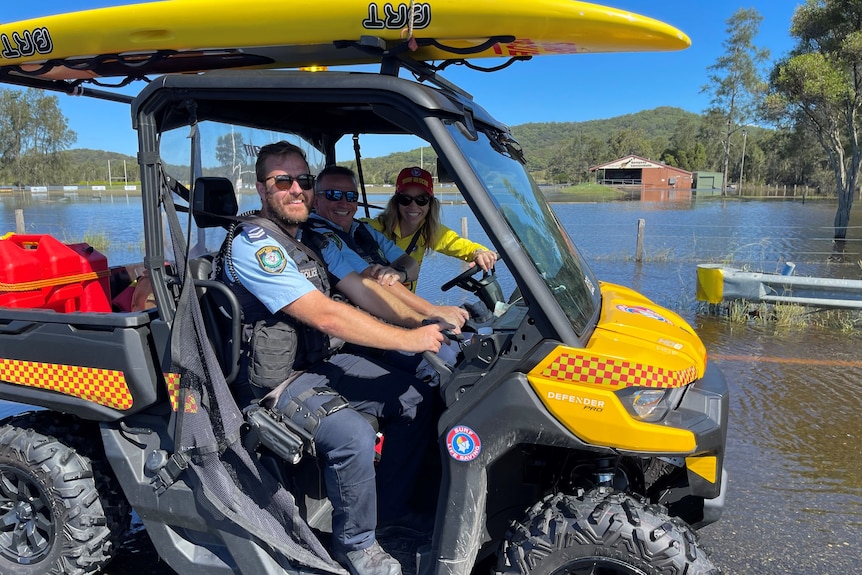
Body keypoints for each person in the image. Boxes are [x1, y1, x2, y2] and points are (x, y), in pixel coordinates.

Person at [215, 141, 446, 575]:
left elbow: (362, 290)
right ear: (263, 189)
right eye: (283, 181)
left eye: (303, 180)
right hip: (276, 380)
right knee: (352, 434)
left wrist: (426, 317)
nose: (296, 189)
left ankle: (391, 512)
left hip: (319, 362)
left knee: (415, 397)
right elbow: (326, 314)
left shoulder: (312, 240)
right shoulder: (255, 245)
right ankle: (355, 546)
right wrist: (410, 339)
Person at [308, 165, 468, 328]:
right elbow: (372, 278)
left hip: (388, 316)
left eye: (350, 196)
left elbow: (410, 264)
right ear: (316, 200)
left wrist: (399, 274)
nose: (343, 203)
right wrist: (432, 311)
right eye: (333, 195)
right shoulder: (321, 236)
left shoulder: (364, 229)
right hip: (358, 328)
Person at [364, 166, 498, 292]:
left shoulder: (429, 231)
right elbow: (348, 228)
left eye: (421, 199)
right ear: (396, 202)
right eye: (405, 199)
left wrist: (480, 252)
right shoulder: (373, 229)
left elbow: (461, 245)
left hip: (405, 305)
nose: (413, 206)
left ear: (430, 204)